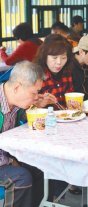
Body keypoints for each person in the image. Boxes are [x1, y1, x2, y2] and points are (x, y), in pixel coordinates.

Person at [0, 61, 45, 207]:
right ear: (17, 87)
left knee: (42, 167)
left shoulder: (16, 105)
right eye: (34, 92)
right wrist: (11, 161)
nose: (36, 96)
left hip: (6, 157)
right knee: (21, 177)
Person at [33, 34, 74, 107]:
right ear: (44, 56)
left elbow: (70, 97)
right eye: (54, 58)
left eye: (63, 58)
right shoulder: (35, 75)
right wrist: (38, 104)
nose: (59, 62)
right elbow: (25, 109)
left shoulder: (67, 71)